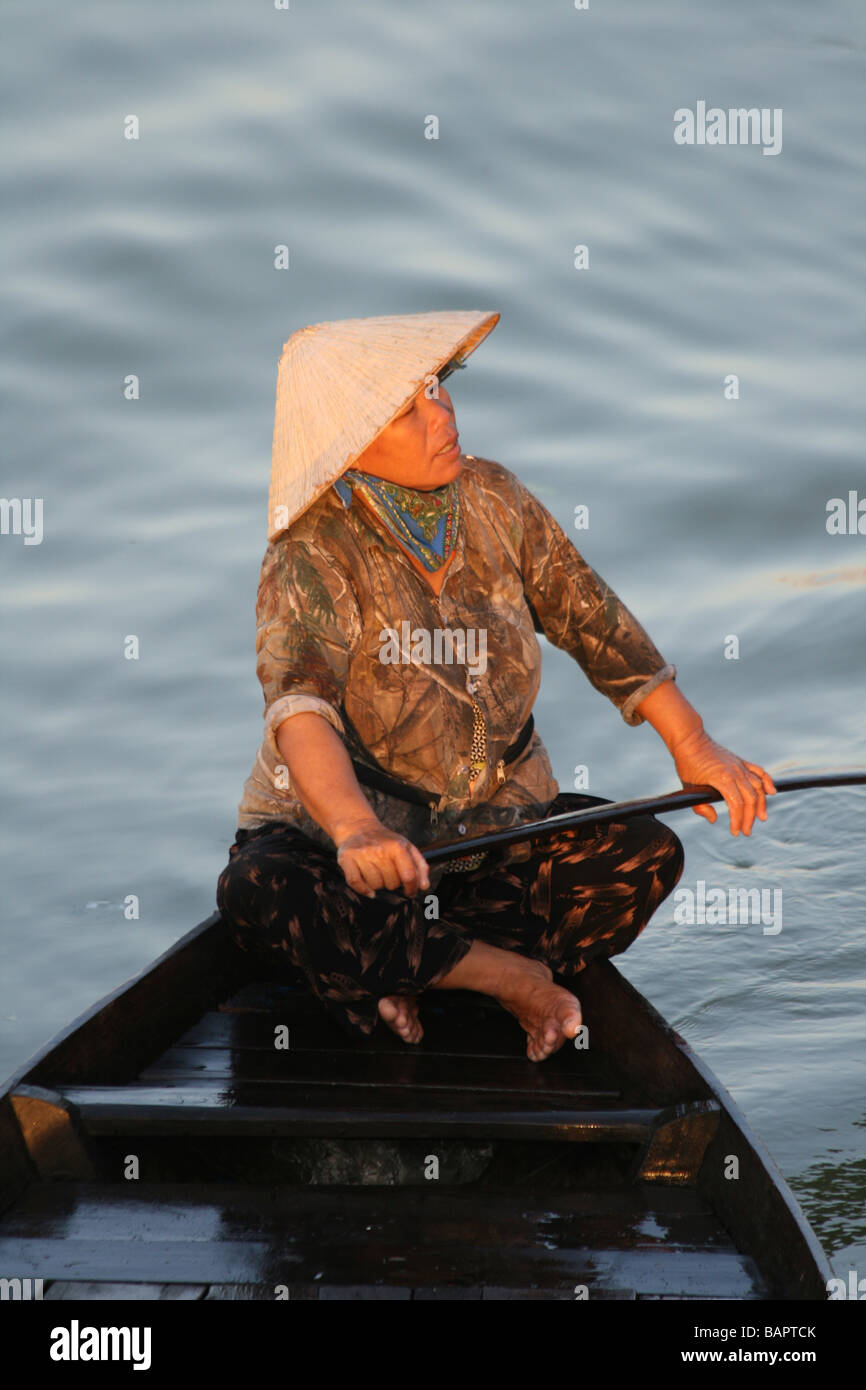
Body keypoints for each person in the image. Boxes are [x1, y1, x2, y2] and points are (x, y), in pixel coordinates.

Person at [216, 310, 775, 1062]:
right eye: (405, 411)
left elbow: (592, 619)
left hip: (488, 842)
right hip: (345, 855)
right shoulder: (311, 550)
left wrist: (693, 742)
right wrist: (356, 829)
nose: (439, 414)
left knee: (643, 854)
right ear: (349, 449)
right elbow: (300, 706)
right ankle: (503, 976)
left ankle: (413, 967)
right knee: (258, 891)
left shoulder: (496, 498)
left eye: (436, 391)